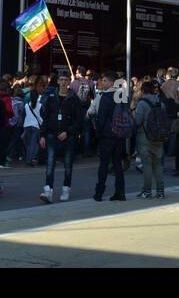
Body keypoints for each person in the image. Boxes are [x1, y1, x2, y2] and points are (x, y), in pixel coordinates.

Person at [40, 72, 84, 202]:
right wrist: (42, 135)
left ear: (69, 82)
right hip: (52, 134)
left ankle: (66, 188)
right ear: (58, 81)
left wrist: (68, 132)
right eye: (61, 80)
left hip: (68, 136)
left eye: (66, 80)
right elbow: (46, 117)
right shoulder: (51, 96)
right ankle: (48, 190)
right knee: (50, 163)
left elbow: (79, 120)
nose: (63, 82)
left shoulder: (74, 98)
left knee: (68, 164)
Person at [92, 73, 129, 201]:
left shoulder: (105, 96)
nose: (102, 83)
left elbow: (101, 117)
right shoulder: (122, 95)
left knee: (104, 164)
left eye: (104, 80)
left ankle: (99, 193)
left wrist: (98, 133)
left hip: (107, 134)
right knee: (118, 164)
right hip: (120, 134)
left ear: (111, 82)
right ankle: (120, 192)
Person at [133, 80, 169, 199]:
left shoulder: (142, 104)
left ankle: (147, 191)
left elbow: (138, 121)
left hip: (145, 137)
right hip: (159, 137)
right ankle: (160, 191)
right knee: (158, 165)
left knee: (147, 165)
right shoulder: (160, 102)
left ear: (143, 91)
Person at [22, 78, 44, 166]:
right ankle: (30, 160)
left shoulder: (27, 105)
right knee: (33, 144)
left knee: (28, 144)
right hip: (36, 126)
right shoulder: (40, 105)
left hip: (27, 125)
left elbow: (24, 115)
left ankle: (28, 159)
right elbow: (42, 116)